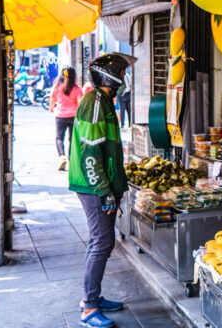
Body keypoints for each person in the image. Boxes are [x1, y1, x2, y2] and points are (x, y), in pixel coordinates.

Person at [68, 53, 136, 328]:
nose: (123, 77)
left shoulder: (103, 101)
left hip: (99, 185)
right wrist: (104, 190)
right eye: (120, 72)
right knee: (101, 243)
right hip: (93, 186)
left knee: (102, 242)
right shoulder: (94, 102)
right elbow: (89, 152)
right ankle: (89, 307)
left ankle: (92, 297)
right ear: (109, 76)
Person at [50, 67, 84, 171]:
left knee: (59, 138)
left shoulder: (57, 87)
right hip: (73, 116)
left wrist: (51, 108)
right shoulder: (77, 89)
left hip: (60, 116)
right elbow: (80, 104)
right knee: (72, 139)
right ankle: (70, 160)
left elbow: (52, 100)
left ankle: (62, 156)